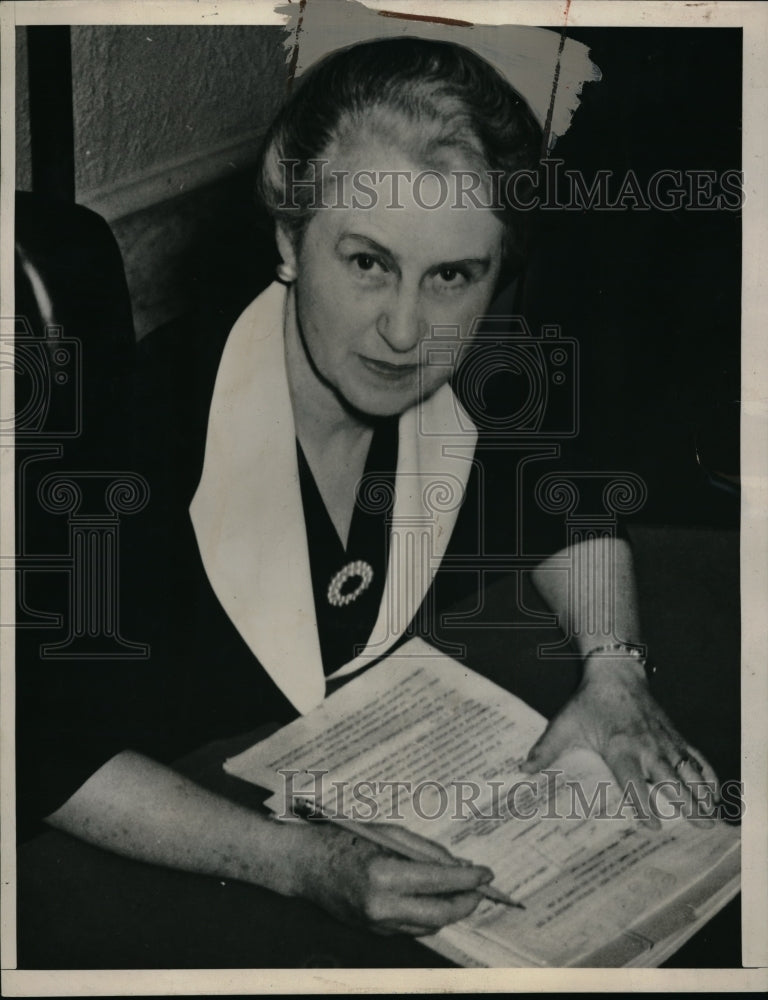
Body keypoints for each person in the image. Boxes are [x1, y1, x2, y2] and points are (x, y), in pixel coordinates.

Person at [32, 37, 717, 940]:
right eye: (367, 263)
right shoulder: (134, 435)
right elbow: (38, 746)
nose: (404, 331)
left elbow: (570, 502)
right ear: (288, 239)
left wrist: (613, 669)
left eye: (452, 277)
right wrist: (304, 864)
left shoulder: (479, 383)